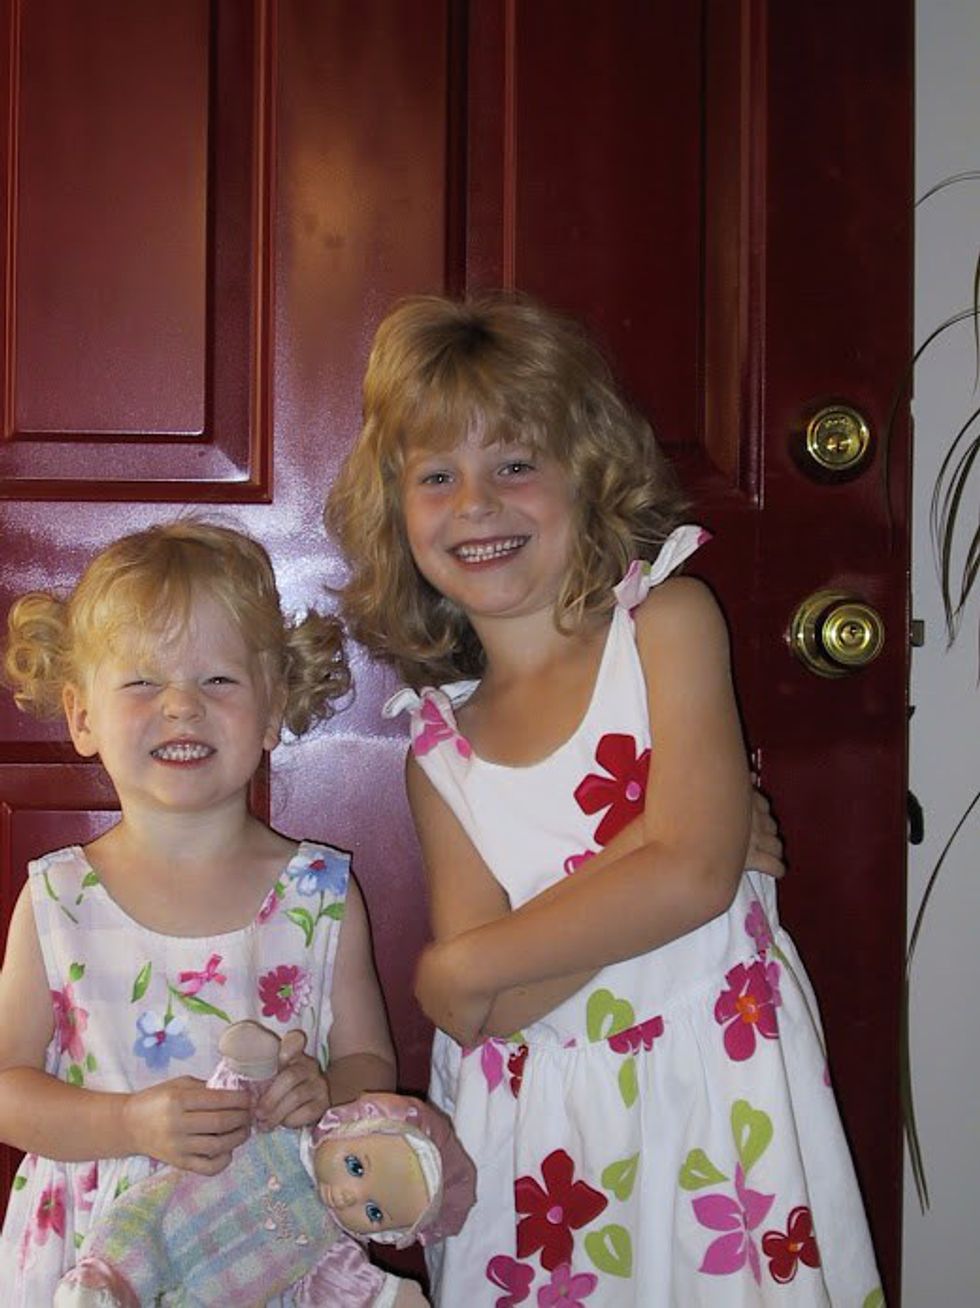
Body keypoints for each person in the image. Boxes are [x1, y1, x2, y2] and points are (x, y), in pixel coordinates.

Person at [325, 293, 883, 1306]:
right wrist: (647, 856)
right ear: (396, 515)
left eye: (514, 464)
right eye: (437, 476)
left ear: (586, 474)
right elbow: (486, 1016)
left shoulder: (665, 625)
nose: (475, 504)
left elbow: (690, 878)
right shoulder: (440, 752)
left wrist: (467, 961)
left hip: (714, 1102)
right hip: (538, 1148)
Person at [0, 521, 398, 1305]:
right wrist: (128, 1124)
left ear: (273, 707)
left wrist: (324, 1092)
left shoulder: (321, 896)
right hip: (93, 1258)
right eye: (142, 682)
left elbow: (369, 1064)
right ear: (81, 717)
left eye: (218, 680)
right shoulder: (57, 899)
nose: (181, 706)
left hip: (263, 1245)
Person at [54, 1020, 476, 1307]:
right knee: (135, 1237)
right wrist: (254, 1067)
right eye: (356, 1167)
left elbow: (349, 1290)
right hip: (160, 1215)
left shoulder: (328, 1249)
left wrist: (387, 1298)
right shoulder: (277, 1126)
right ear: (349, 1125)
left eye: (374, 1212)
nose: (350, 1195)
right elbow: (241, 1091)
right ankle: (103, 1284)